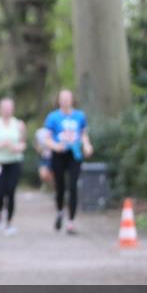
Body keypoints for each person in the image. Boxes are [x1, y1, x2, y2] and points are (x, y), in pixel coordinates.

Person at [43, 89, 94, 235]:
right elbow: (47, 138)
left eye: (68, 98)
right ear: (58, 100)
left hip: (74, 155)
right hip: (58, 155)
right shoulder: (53, 117)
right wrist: (55, 146)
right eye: (62, 98)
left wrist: (87, 145)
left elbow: (84, 135)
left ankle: (71, 222)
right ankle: (60, 211)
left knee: (73, 186)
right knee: (60, 187)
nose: (65, 101)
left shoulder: (79, 116)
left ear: (72, 100)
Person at [0, 98, 26, 235]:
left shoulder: (19, 125)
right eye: (4, 108)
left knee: (11, 191)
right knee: (0, 191)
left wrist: (15, 147)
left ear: (12, 109)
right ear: (0, 109)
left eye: (9, 108)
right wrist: (0, 145)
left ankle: (9, 223)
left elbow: (23, 144)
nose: (7, 110)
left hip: (14, 162)